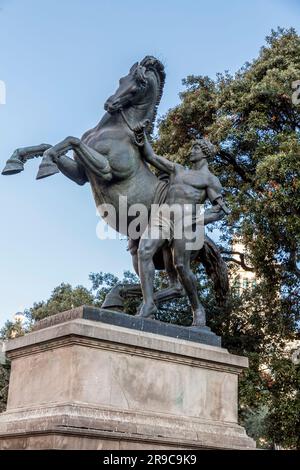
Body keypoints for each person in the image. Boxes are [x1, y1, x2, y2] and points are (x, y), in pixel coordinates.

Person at [135, 131, 229, 326]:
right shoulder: (178, 170)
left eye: (195, 148)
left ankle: (197, 308)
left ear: (204, 153)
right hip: (163, 217)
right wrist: (141, 136)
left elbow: (220, 210)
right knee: (143, 251)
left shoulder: (210, 180)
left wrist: (197, 221)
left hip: (186, 222)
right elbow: (151, 156)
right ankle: (149, 304)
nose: (190, 151)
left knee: (181, 267)